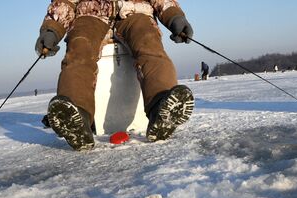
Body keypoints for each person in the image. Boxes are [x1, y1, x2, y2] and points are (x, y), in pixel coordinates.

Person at [35, 0, 195, 150]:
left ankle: (162, 105)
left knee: (149, 43)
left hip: (135, 11)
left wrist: (174, 16)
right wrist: (52, 29)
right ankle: (76, 115)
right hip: (90, 15)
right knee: (79, 49)